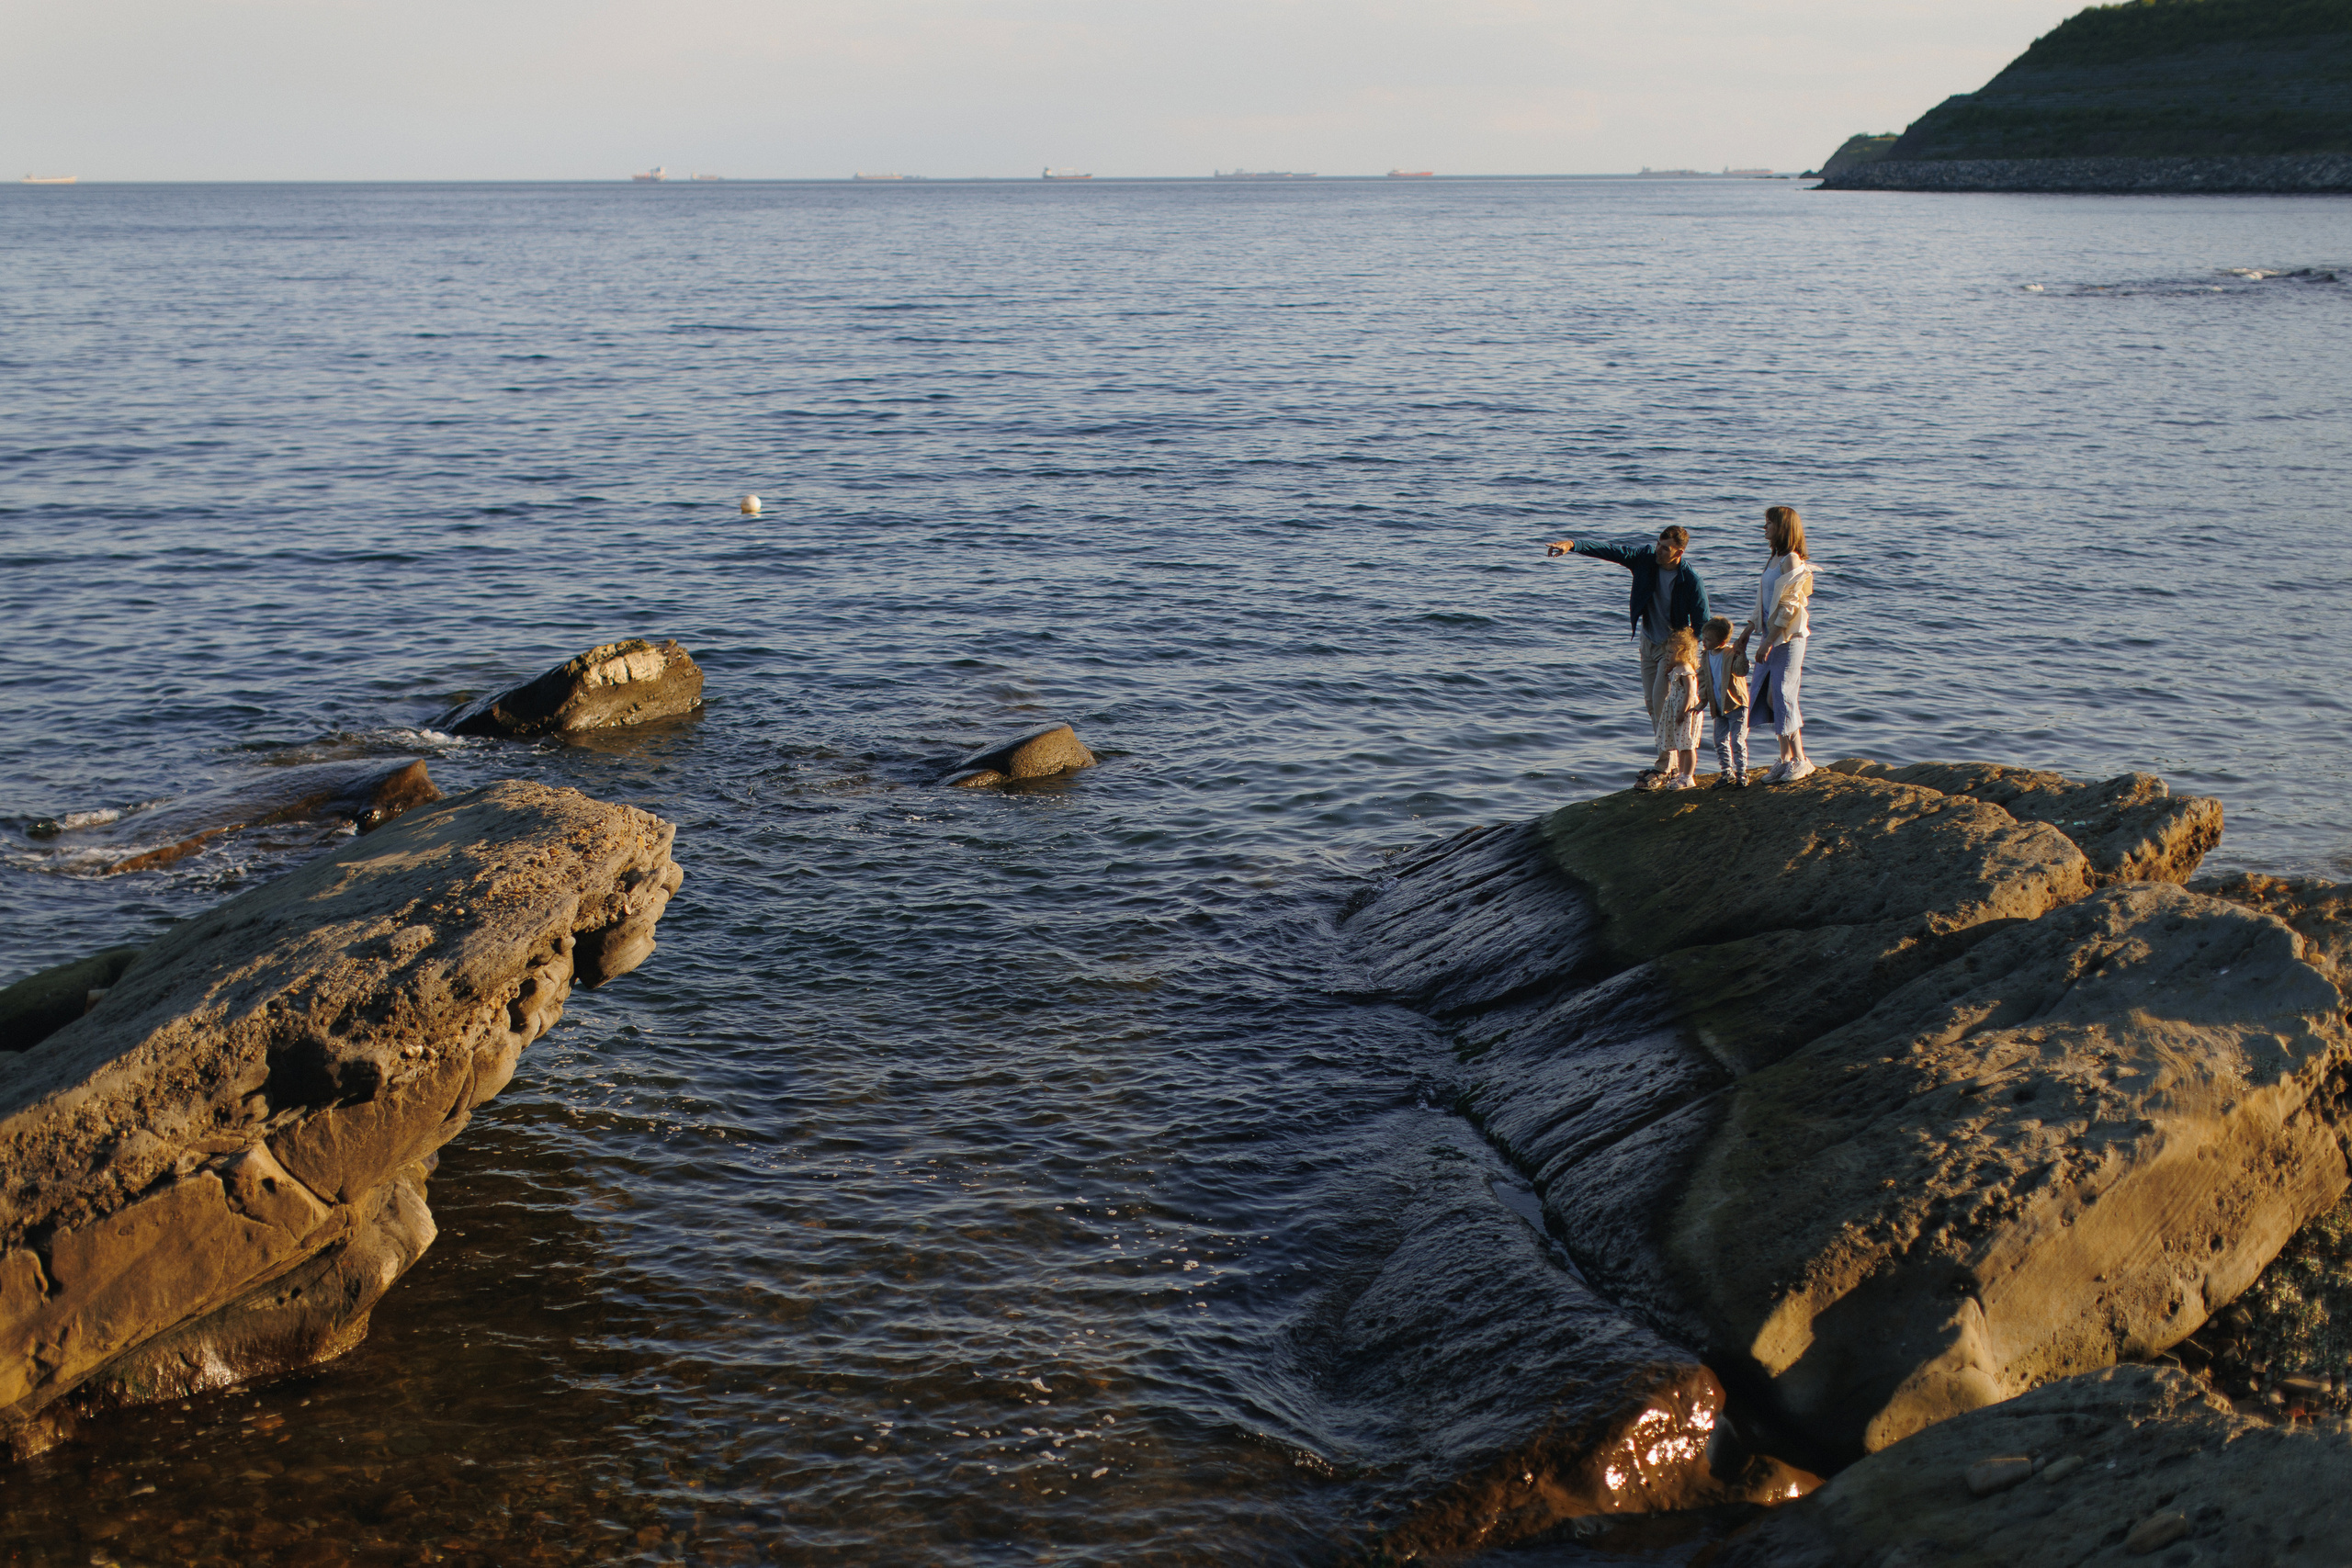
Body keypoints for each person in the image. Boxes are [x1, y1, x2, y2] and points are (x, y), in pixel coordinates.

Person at [1546, 525, 1711, 784]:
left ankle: (1664, 766)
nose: (1658, 550)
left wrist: (1691, 657)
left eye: (1665, 548)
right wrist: (1572, 544)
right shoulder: (1645, 559)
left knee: (1662, 703)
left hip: (1673, 651)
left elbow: (1703, 623)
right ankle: (1668, 761)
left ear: (1679, 553)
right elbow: (1611, 551)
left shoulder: (1690, 579)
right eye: (1658, 543)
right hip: (1648, 643)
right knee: (1651, 704)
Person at [1736, 505, 1816, 784]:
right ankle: (1784, 759)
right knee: (1769, 696)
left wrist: (1768, 642)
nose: (1764, 528)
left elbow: (1789, 609)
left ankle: (1800, 760)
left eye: (1768, 523)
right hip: (1769, 637)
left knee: (1782, 695)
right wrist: (1749, 629)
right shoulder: (1774, 558)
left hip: (1788, 639)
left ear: (1782, 527)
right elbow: (1765, 602)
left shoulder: (1791, 560)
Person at [1698, 615, 1750, 787]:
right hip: (1718, 706)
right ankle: (1726, 771)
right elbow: (1704, 680)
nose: (1704, 641)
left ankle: (1742, 772)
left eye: (1708, 639)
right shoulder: (1705, 656)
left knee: (1737, 740)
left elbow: (1741, 671)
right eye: (1703, 637)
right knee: (1719, 740)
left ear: (1721, 641)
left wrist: (1742, 654)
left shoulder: (1729, 654)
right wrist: (1702, 701)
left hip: (1735, 703)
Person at [1653, 627, 1703, 789]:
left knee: (1687, 745)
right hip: (1677, 709)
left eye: (1670, 652)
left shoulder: (1686, 671)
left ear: (1681, 652)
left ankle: (1688, 776)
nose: (1666, 656)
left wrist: (1682, 711)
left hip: (1686, 711)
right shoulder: (1677, 669)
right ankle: (1681, 775)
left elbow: (1690, 693)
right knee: (1681, 744)